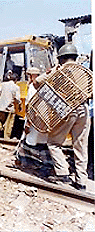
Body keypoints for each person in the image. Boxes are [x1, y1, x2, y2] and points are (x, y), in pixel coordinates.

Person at [35, 44, 91, 191]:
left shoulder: (58, 70)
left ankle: (62, 174)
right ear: (75, 56)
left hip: (67, 110)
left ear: (61, 59)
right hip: (84, 109)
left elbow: (37, 82)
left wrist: (50, 73)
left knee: (54, 143)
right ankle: (81, 181)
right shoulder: (85, 72)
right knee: (80, 146)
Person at [0, 72, 21, 139]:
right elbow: (17, 99)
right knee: (9, 125)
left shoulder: (2, 85)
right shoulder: (16, 87)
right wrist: (19, 105)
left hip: (0, 107)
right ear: (16, 80)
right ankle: (6, 138)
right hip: (9, 109)